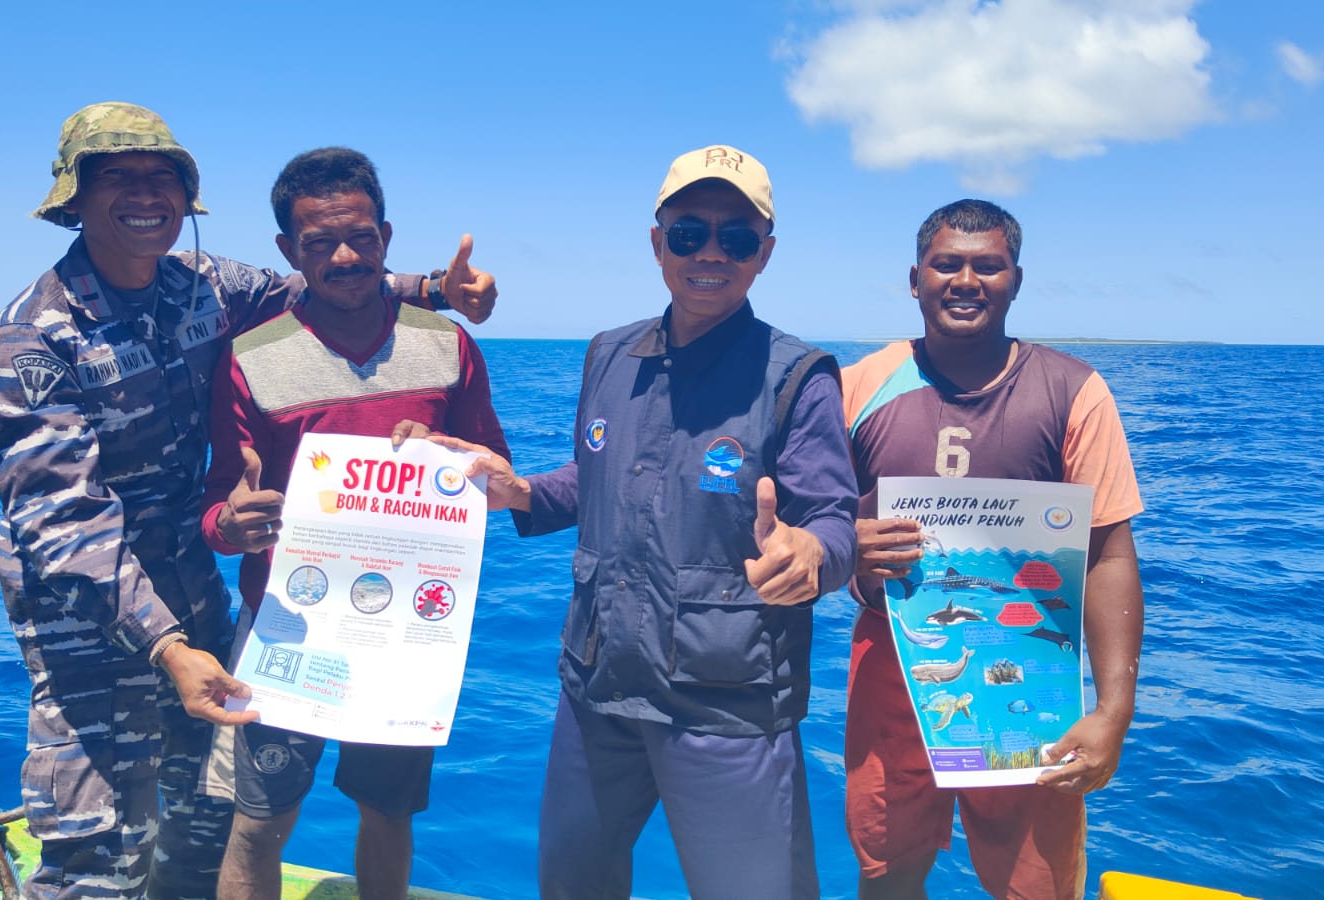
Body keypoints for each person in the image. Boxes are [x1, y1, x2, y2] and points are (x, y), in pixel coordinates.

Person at [0, 102, 495, 899]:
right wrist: (169, 650)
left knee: (200, 828)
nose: (146, 193)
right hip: (90, 625)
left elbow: (330, 273)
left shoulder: (209, 286)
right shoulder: (31, 339)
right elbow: (62, 524)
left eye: (164, 177)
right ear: (73, 198)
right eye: (118, 177)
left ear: (187, 198)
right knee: (97, 851)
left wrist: (437, 289)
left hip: (200, 600)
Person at [431, 145, 858, 899]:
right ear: (658, 242)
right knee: (570, 886)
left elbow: (833, 519)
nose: (711, 253)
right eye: (690, 232)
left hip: (727, 698)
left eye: (738, 236)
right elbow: (595, 481)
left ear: (765, 254)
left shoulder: (797, 374)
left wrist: (813, 556)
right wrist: (520, 489)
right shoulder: (608, 354)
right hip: (598, 683)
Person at [198, 147, 510, 900]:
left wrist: (464, 469)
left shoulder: (448, 345)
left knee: (388, 812)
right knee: (258, 820)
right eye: (318, 243)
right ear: (287, 252)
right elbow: (213, 507)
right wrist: (229, 526)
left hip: (407, 636)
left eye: (362, 237)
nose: (344, 256)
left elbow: (499, 481)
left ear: (387, 236)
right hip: (286, 630)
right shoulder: (249, 359)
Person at [841, 199, 1145, 899]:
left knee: (1035, 887)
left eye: (988, 266)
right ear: (914, 279)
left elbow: (1109, 556)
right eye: (947, 264)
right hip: (892, 669)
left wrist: (1113, 710)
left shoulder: (1075, 391)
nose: (966, 280)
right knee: (886, 875)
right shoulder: (858, 385)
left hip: (1031, 681)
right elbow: (808, 524)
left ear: (1016, 279)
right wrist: (846, 547)